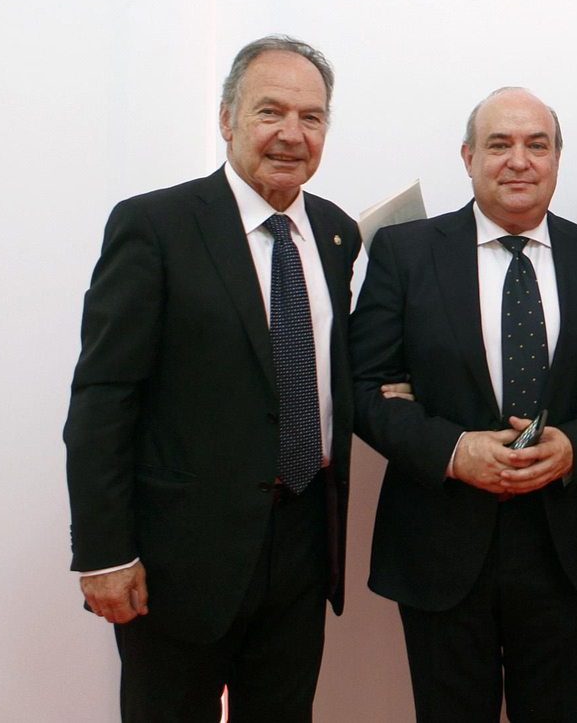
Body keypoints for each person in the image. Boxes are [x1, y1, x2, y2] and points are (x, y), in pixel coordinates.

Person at [64, 35, 361, 721]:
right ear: (227, 120)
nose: (292, 133)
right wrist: (105, 551)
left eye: (311, 117)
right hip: (179, 559)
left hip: (303, 547)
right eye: (270, 111)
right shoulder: (156, 224)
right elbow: (105, 395)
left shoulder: (339, 233)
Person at [350, 87, 577, 722]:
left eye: (537, 145)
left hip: (564, 550)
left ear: (558, 159)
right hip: (439, 544)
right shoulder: (405, 253)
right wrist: (453, 451)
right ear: (468, 156)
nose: (519, 160)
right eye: (499, 144)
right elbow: (363, 389)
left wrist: (575, 447)